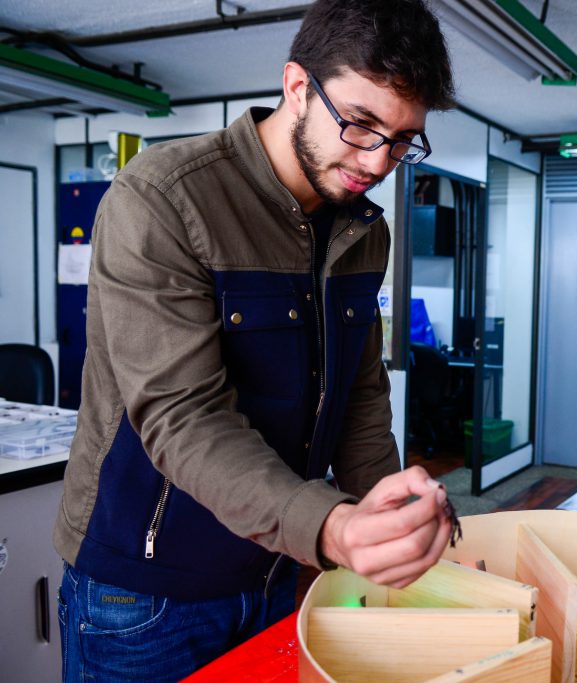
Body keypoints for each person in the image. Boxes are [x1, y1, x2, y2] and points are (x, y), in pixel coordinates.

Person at [53, 1, 456, 680]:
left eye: (403, 138)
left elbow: (359, 398)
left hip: (274, 568)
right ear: (297, 86)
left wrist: (391, 510)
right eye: (361, 125)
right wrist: (330, 526)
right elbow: (183, 415)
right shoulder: (162, 198)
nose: (379, 159)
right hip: (143, 593)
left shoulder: (365, 229)